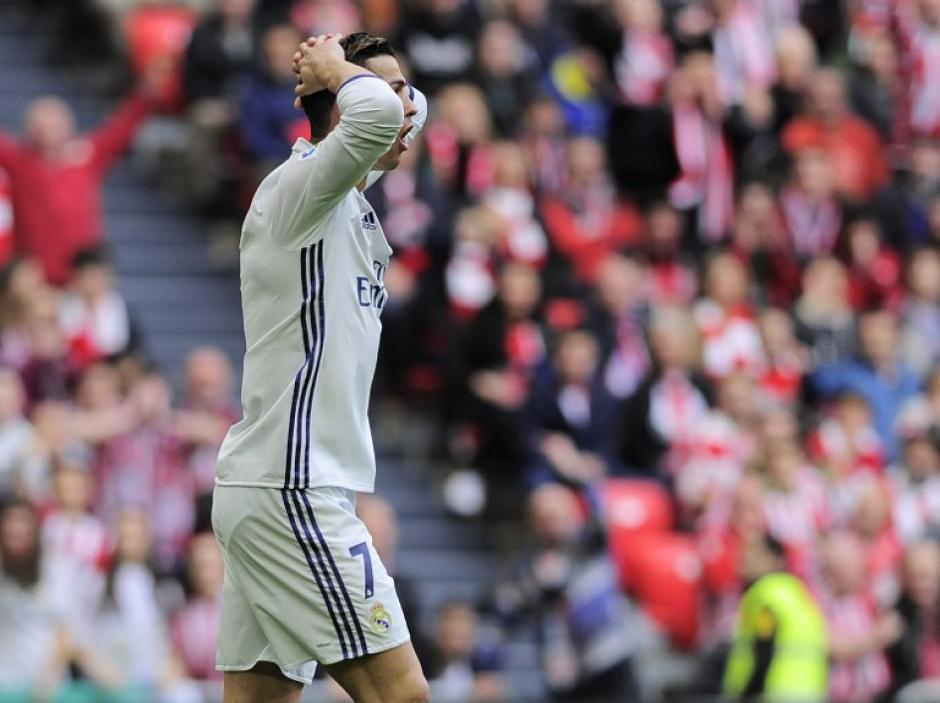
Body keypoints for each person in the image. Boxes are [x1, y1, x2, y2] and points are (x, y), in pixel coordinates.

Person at [211, 32, 430, 703]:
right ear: (340, 103)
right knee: (403, 695)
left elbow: (391, 114)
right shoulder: (301, 189)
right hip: (294, 489)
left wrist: (366, 79)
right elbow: (373, 116)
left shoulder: (350, 206)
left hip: (273, 486)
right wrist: (332, 71)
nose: (409, 112)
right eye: (392, 93)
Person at [722, 534, 829, 702]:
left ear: (775, 560)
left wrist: (746, 693)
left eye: (755, 553)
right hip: (810, 692)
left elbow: (764, 647)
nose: (745, 558)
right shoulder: (796, 592)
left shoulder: (766, 594)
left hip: (777, 693)